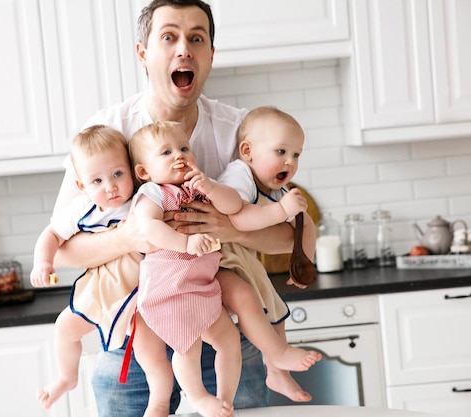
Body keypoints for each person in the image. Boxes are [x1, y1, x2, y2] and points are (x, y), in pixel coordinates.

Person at [51, 1, 318, 415]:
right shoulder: (106, 132)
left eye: (197, 38)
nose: (184, 50)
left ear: (211, 54)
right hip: (134, 340)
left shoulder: (242, 132)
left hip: (223, 334)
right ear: (143, 53)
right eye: (169, 37)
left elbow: (297, 235)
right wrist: (129, 236)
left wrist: (229, 229)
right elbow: (62, 249)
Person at [127, 121, 320, 417]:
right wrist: (185, 243)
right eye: (166, 152)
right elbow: (149, 227)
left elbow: (234, 208)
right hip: (171, 290)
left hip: (203, 287)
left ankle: (224, 399)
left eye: (183, 148)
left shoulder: (197, 188)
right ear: (144, 172)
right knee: (186, 349)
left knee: (229, 341)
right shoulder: (154, 193)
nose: (179, 155)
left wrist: (212, 187)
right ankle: (200, 397)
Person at [29, 125, 140, 409]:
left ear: (133, 169)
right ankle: (67, 377)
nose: (110, 187)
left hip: (143, 289)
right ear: (82, 186)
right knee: (65, 327)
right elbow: (51, 235)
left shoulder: (143, 198)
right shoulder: (83, 208)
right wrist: (42, 262)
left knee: (148, 351)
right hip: (104, 286)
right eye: (97, 181)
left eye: (117, 174)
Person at [216, 106, 319, 403]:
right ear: (247, 151)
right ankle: (277, 356)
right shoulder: (240, 175)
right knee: (251, 303)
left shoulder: (276, 187)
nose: (290, 160)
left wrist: (302, 262)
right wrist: (281, 211)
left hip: (241, 256)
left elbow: (304, 224)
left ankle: (276, 371)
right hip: (218, 257)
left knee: (276, 312)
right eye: (281, 151)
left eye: (297, 154)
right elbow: (235, 219)